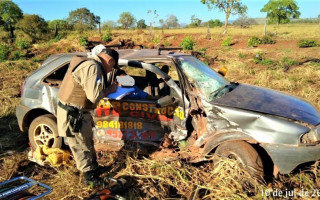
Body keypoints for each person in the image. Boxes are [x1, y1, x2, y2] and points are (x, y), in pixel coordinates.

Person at [56, 44, 119, 187]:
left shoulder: (91, 63)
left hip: (79, 111)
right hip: (73, 114)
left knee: (87, 141)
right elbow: (94, 96)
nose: (110, 70)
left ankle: (94, 168)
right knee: (80, 144)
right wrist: (110, 89)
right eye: (112, 67)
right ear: (109, 61)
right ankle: (89, 178)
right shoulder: (92, 67)